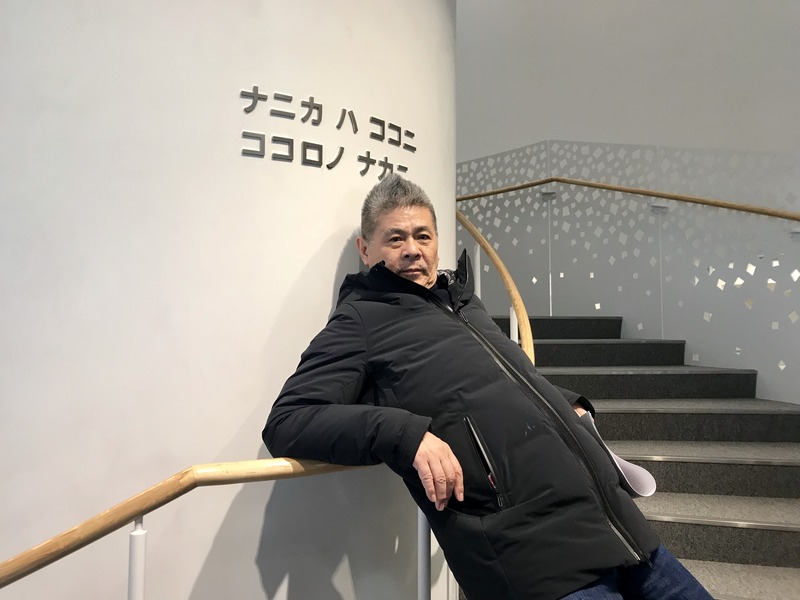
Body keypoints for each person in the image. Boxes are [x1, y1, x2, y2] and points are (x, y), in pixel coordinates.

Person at [262, 174, 712, 600]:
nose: (412, 250)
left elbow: (501, 385)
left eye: (423, 236)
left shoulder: (464, 302)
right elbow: (289, 420)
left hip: (617, 525)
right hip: (535, 556)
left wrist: (566, 406)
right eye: (394, 238)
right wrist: (404, 434)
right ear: (366, 249)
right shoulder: (359, 320)